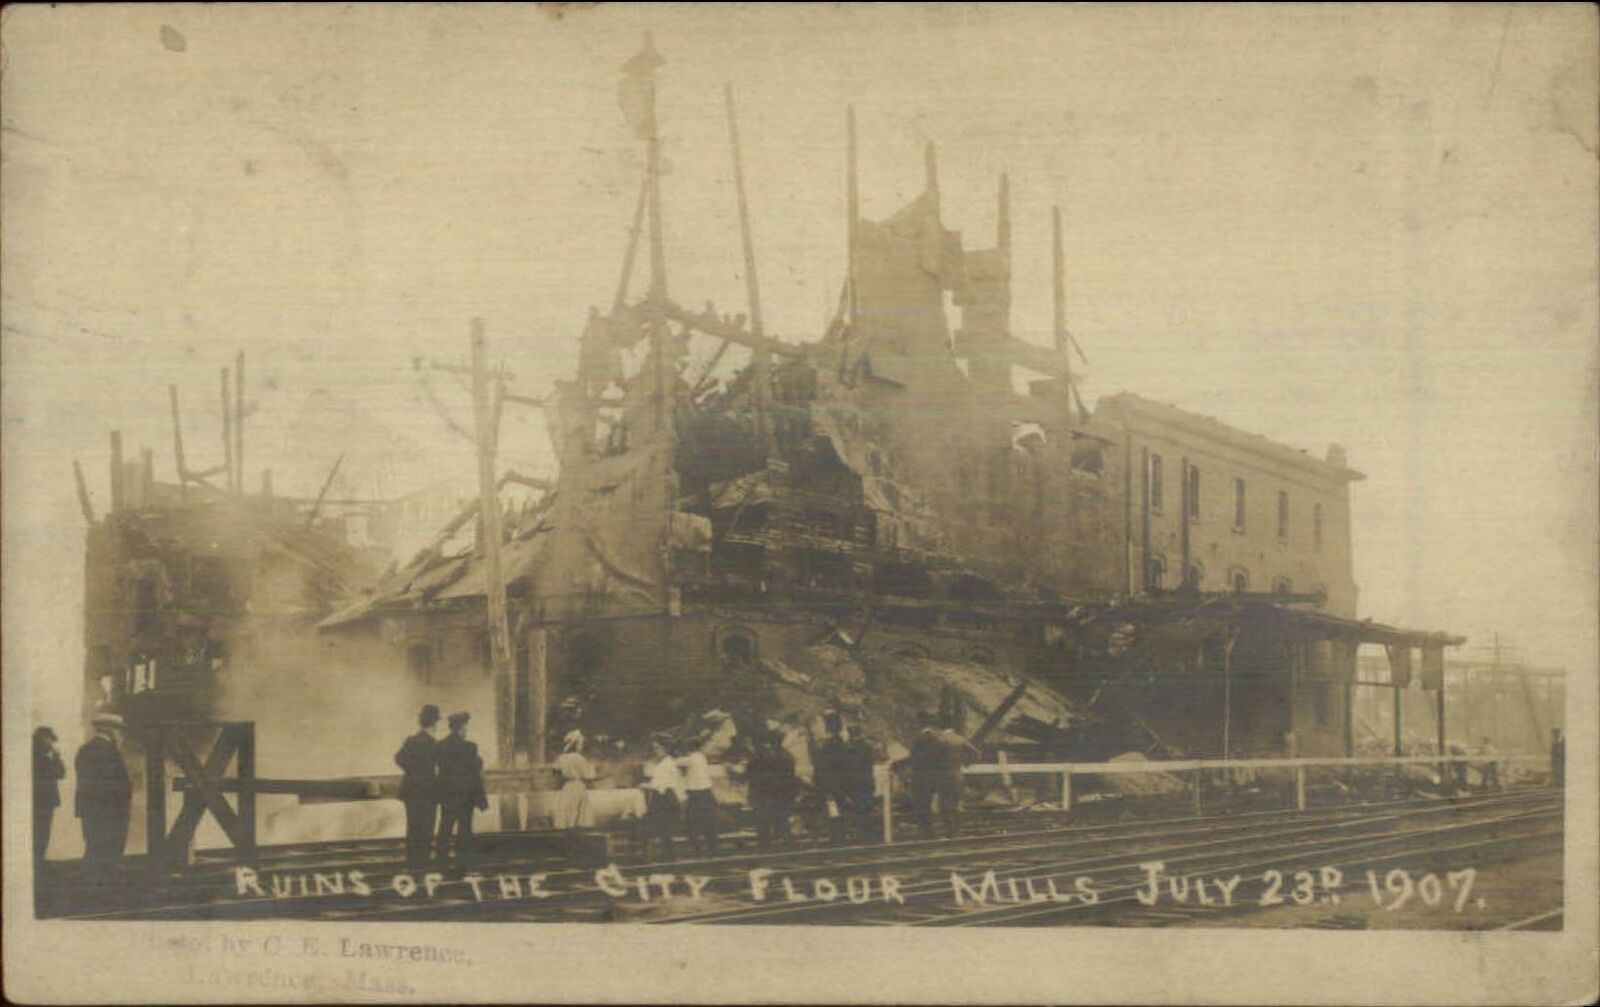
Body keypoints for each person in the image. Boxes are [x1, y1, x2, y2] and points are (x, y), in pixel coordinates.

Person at [75, 712, 131, 873]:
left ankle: (95, 879)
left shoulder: (85, 749)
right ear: (110, 731)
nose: (121, 734)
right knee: (107, 846)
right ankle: (105, 881)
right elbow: (109, 781)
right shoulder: (108, 751)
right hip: (109, 808)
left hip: (92, 808)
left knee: (94, 845)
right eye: (119, 730)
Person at [435, 711, 488, 864]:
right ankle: (463, 860)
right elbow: (476, 769)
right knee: (464, 829)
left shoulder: (440, 746)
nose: (466, 731)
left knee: (445, 827)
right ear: (461, 728)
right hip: (465, 795)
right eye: (465, 728)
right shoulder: (470, 747)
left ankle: (441, 859)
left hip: (447, 794)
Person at [394, 704, 441, 868]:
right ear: (434, 723)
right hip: (427, 792)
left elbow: (398, 758)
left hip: (411, 791)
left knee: (413, 827)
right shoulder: (433, 744)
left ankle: (412, 861)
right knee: (427, 828)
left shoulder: (411, 740)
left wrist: (412, 771)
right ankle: (423, 862)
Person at [746, 729, 797, 850]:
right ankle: (788, 848)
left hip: (765, 795)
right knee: (783, 821)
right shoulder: (788, 756)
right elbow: (791, 777)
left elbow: (751, 773)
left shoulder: (762, 756)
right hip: (782, 795)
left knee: (764, 823)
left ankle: (766, 848)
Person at [641, 733, 685, 860]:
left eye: (657, 748)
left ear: (665, 748)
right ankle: (664, 855)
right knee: (661, 828)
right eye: (654, 748)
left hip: (665, 797)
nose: (655, 751)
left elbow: (660, 784)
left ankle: (668, 857)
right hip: (661, 797)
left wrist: (645, 785)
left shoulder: (667, 763)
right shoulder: (661, 762)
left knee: (663, 827)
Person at [678, 735, 718, 856]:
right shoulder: (702, 757)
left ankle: (697, 848)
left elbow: (677, 761)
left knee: (693, 822)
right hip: (706, 792)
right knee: (708, 821)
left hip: (696, 794)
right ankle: (712, 847)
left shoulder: (692, 758)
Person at [553, 730, 597, 840]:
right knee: (578, 814)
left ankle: (568, 835)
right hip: (578, 786)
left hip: (567, 787)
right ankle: (576, 837)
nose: (581, 746)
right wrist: (593, 771)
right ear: (576, 744)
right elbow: (588, 775)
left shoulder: (562, 758)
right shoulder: (579, 758)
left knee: (568, 812)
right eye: (580, 744)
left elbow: (555, 771)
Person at [33, 726, 66, 867]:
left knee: (44, 831)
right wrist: (51, 759)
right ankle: (37, 861)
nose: (52, 743)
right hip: (38, 800)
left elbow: (61, 774)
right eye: (50, 740)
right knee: (39, 831)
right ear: (41, 739)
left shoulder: (48, 756)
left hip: (47, 801)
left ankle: (39, 859)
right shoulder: (34, 755)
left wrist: (57, 757)